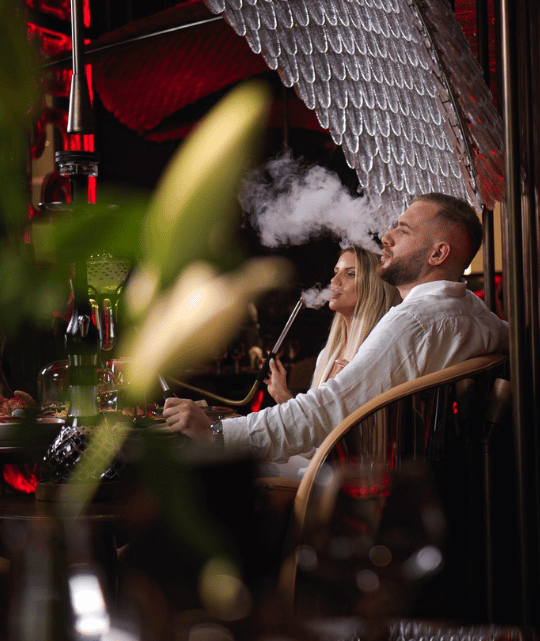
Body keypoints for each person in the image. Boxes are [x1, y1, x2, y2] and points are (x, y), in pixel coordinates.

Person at [163, 193, 509, 462]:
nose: (386, 237)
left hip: (359, 487)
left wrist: (217, 432)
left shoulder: (413, 322)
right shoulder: (477, 315)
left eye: (403, 231)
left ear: (438, 254)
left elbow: (326, 412)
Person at [264, 246, 401, 405]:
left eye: (350, 274)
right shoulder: (325, 356)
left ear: (373, 287)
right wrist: (282, 396)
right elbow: (317, 418)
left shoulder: (378, 354)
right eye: (336, 272)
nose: (334, 280)